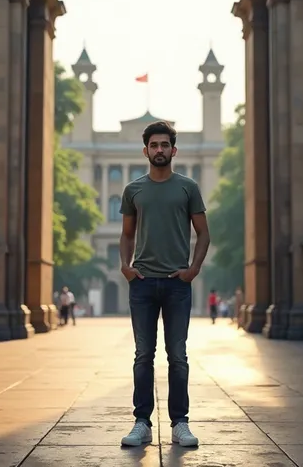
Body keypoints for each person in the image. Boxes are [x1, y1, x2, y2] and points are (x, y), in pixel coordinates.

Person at [119, 120, 210, 448]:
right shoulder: (134, 189)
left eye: (164, 145)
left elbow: (204, 233)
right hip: (142, 283)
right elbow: (127, 234)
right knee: (143, 354)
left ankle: (180, 423)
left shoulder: (187, 187)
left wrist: (193, 269)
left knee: (178, 355)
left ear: (174, 150)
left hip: (177, 284)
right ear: (146, 151)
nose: (159, 150)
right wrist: (125, 267)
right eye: (154, 145)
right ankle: (141, 422)